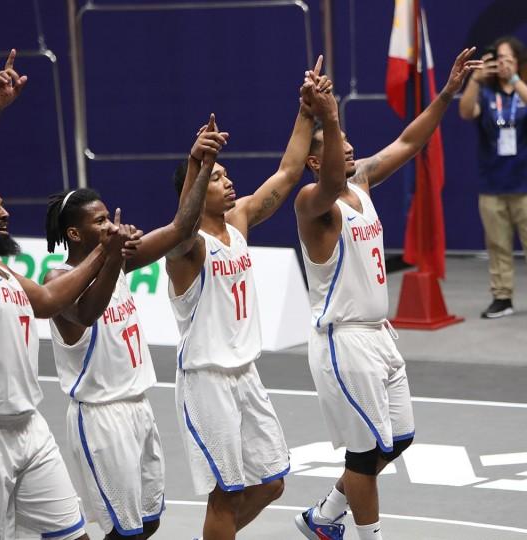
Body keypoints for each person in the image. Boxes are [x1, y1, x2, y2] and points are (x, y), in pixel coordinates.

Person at [0, 50, 120, 540]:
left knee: (73, 535)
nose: (4, 213)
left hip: (29, 430)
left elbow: (53, 301)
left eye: (4, 205)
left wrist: (104, 251)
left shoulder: (7, 277)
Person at [293, 49, 480, 540]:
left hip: (379, 335)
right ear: (314, 160)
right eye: (338, 143)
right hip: (344, 341)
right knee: (363, 453)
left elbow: (409, 141)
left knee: (397, 438)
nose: (350, 148)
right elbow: (332, 178)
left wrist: (446, 93)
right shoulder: (313, 203)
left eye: (349, 140)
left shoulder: (362, 182)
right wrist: (328, 117)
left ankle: (324, 515)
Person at [165, 57, 330, 540]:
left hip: (245, 375)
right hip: (207, 379)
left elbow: (288, 171)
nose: (227, 180)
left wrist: (306, 111)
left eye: (224, 174)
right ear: (195, 190)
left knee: (273, 481)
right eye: (217, 177)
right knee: (226, 494)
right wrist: (199, 163)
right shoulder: (185, 248)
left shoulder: (237, 223)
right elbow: (179, 228)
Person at [43, 113, 228, 540]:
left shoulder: (119, 260)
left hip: (138, 407)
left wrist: (197, 163)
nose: (109, 226)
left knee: (148, 522)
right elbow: (87, 311)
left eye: (110, 218)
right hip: (101, 419)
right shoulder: (57, 281)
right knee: (123, 531)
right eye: (99, 221)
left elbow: (183, 227)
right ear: (74, 233)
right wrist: (111, 256)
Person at [459, 36, 527, 318]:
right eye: (499, 58)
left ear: (518, 62)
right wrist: (475, 79)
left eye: (509, 58)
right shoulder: (486, 94)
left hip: (524, 184)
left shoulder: (521, 92)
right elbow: (465, 112)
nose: (503, 63)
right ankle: (502, 297)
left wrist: (515, 79)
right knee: (498, 245)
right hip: (492, 183)